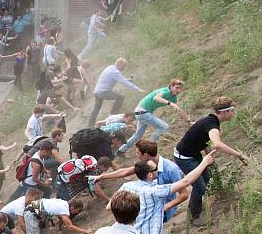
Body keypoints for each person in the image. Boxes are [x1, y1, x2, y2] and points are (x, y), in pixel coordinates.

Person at [174, 97, 249, 226]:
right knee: (200, 187)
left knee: (206, 179)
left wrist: (208, 155)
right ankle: (194, 217)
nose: (233, 113)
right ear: (224, 112)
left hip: (193, 154)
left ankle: (195, 207)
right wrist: (239, 155)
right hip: (184, 158)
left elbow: (202, 138)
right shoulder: (212, 126)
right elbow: (217, 145)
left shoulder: (210, 120)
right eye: (232, 111)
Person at [93, 139, 187, 222]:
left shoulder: (171, 169)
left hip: (161, 211)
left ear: (145, 155)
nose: (136, 154)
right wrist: (102, 177)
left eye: (138, 153)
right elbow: (125, 171)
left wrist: (167, 206)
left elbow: (184, 194)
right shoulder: (146, 164)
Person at [118, 79, 187, 155]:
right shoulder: (166, 91)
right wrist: (170, 103)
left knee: (138, 135)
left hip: (141, 112)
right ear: (171, 86)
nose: (179, 90)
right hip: (142, 112)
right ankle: (148, 148)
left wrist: (189, 121)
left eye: (180, 89)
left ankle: (120, 151)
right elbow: (156, 98)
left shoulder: (173, 97)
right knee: (164, 127)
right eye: (177, 88)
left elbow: (179, 110)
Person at [87, 58, 144, 128]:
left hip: (97, 92)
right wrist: (138, 89)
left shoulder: (110, 68)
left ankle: (90, 126)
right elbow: (123, 82)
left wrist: (129, 80)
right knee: (120, 97)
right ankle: (113, 114)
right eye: (123, 66)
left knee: (96, 110)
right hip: (103, 92)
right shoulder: (114, 72)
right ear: (118, 64)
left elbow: (122, 79)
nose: (124, 68)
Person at [23, 198, 92, 234]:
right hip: (31, 213)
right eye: (77, 210)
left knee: (43, 233)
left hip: (37, 211)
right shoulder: (65, 209)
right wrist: (85, 231)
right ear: (73, 207)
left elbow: (60, 218)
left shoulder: (64, 203)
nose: (76, 212)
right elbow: (70, 227)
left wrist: (60, 228)